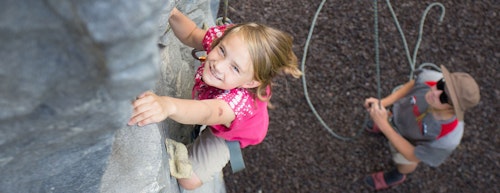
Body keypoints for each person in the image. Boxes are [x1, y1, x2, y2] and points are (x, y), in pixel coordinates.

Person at [128, 8, 301, 190]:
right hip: (219, 97)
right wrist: (172, 12)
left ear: (250, 82)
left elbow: (205, 112)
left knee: (188, 180)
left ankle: (227, 151)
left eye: (235, 68)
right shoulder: (230, 45)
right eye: (222, 51)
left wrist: (167, 105)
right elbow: (192, 34)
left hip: (233, 131)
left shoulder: (234, 105)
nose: (218, 65)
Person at [363, 65, 480, 190]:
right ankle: (386, 125)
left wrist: (384, 126)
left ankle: (398, 175)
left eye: (444, 97)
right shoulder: (431, 78)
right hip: (398, 114)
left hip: (408, 144)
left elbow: (413, 155)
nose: (434, 92)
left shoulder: (447, 138)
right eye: (441, 85)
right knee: (389, 120)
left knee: (405, 163)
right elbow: (411, 85)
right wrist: (383, 103)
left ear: (453, 110)